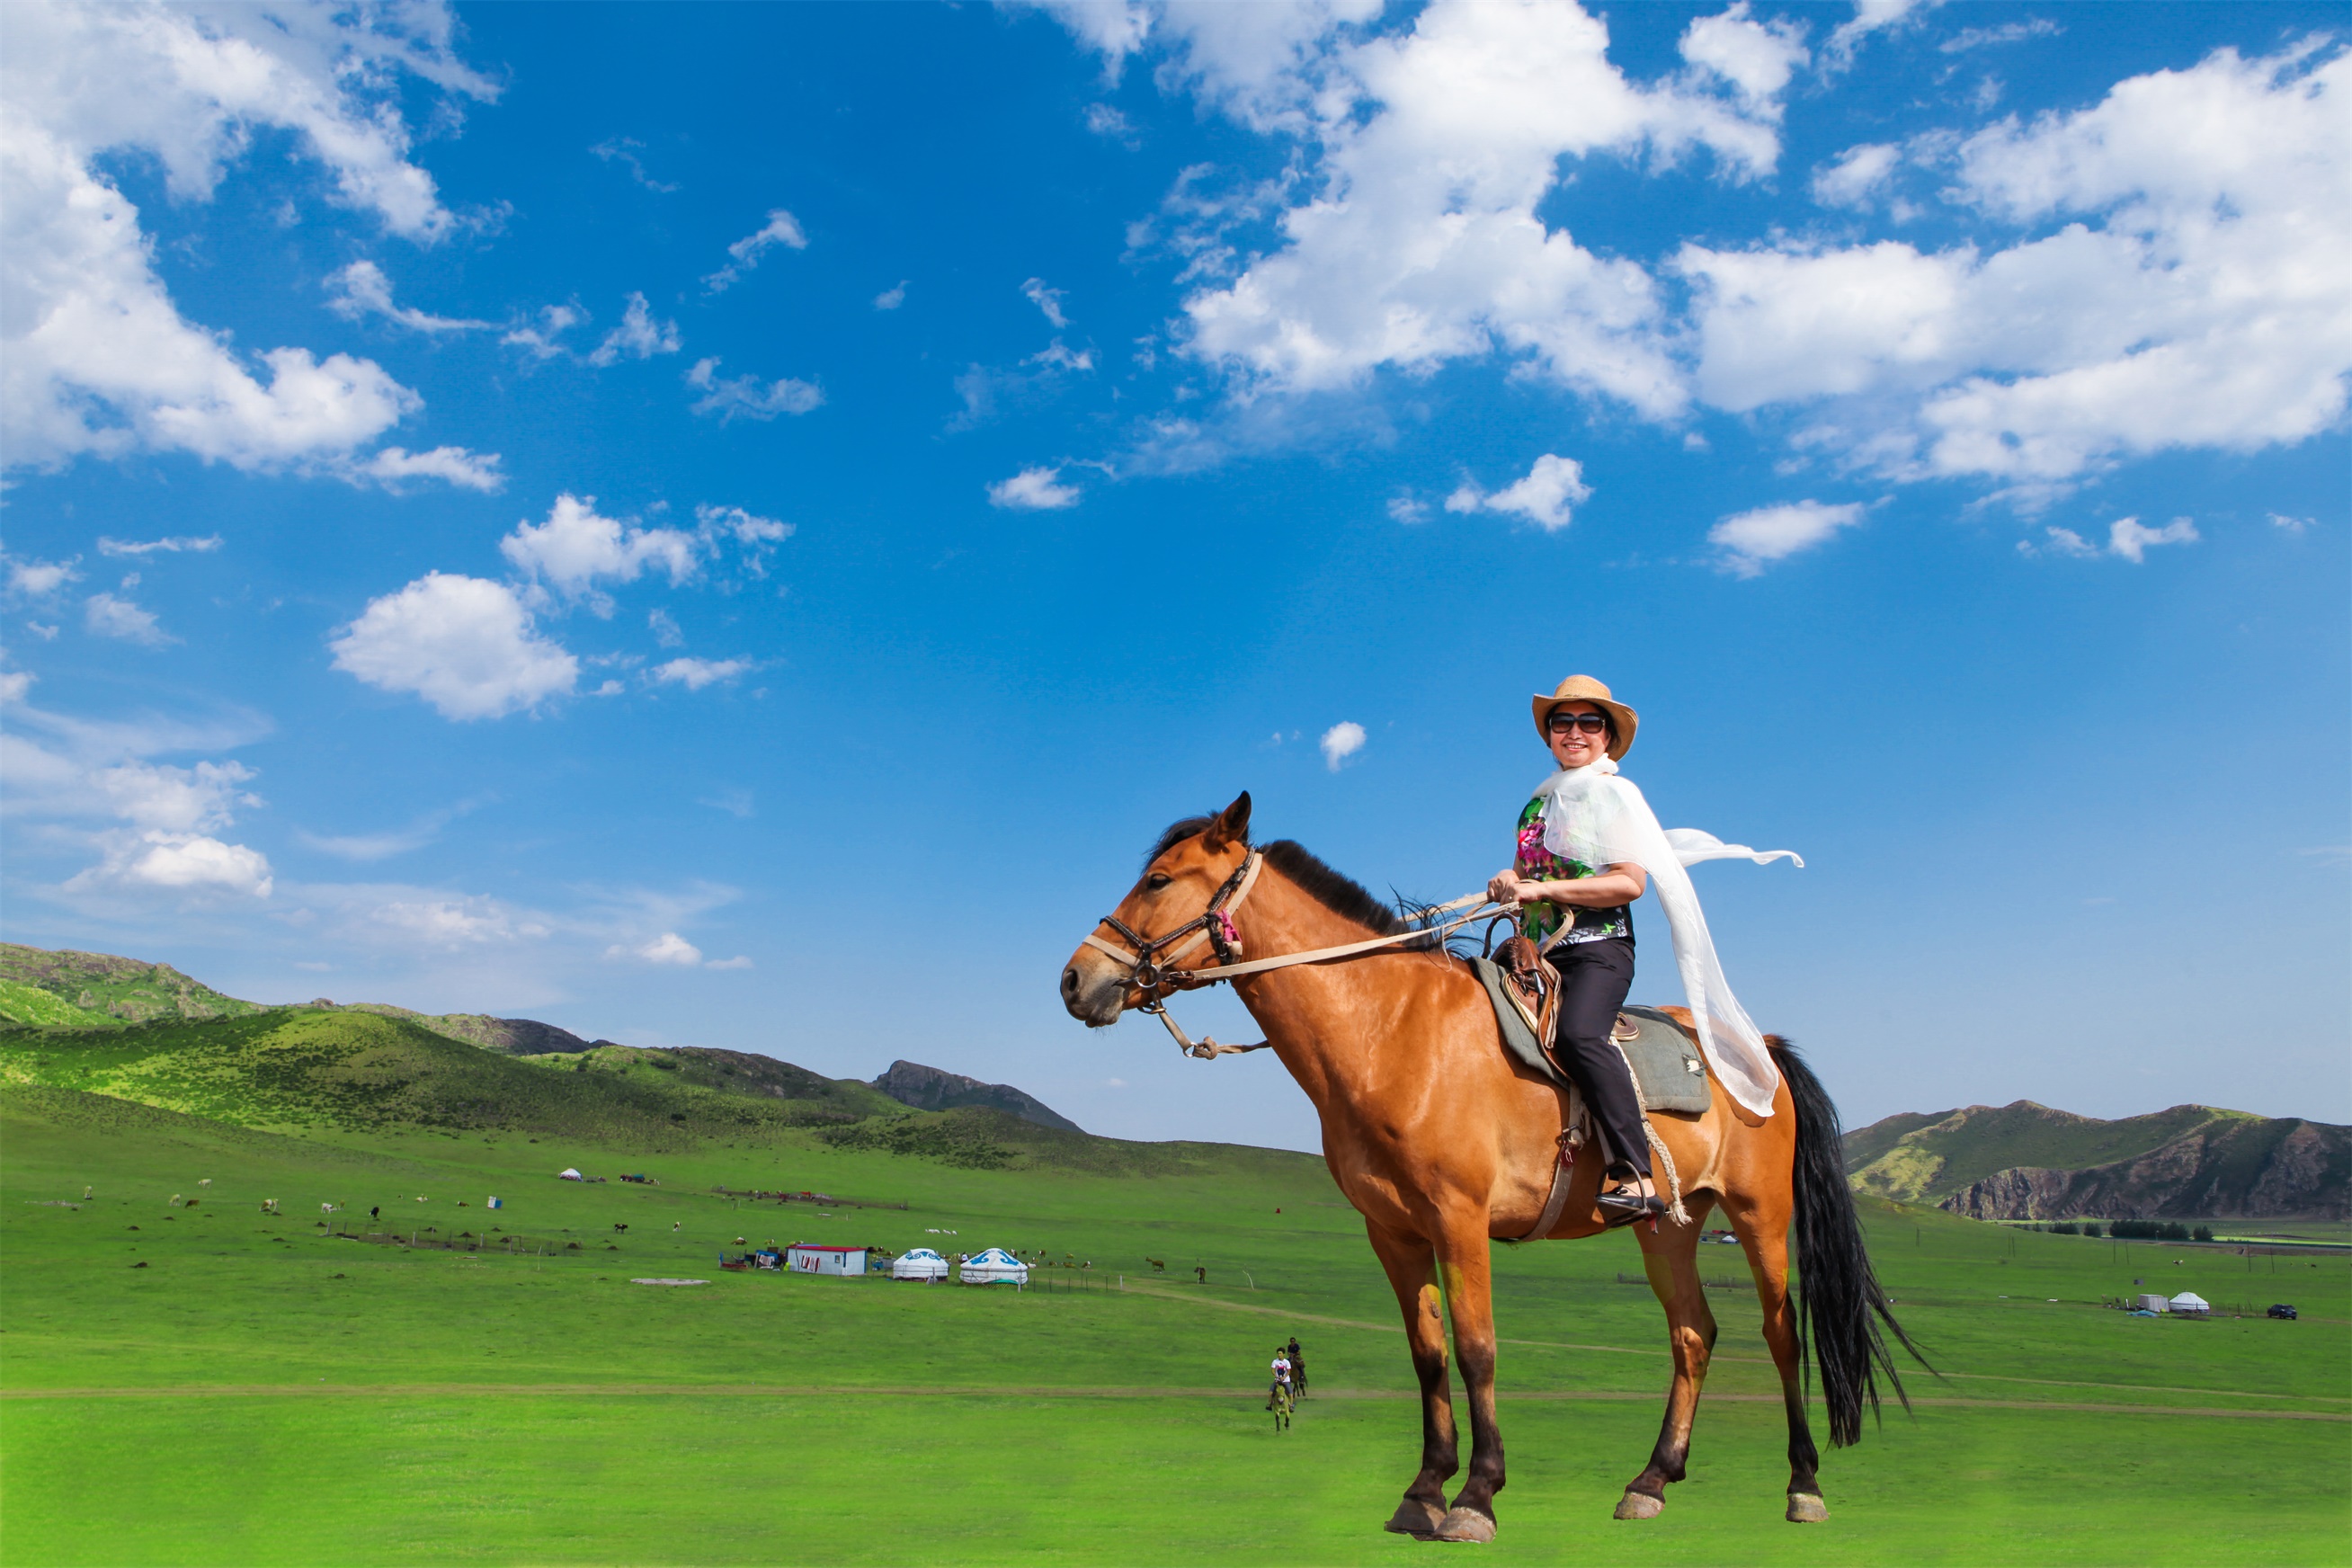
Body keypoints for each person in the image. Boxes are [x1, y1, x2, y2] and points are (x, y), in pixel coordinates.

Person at [1490, 676, 1797, 1222]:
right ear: (1549, 736)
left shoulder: (1613, 795)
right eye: (1564, 723)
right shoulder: (1536, 804)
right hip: (1537, 953)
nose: (1575, 732)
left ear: (1607, 738)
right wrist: (1507, 879)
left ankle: (1634, 1173)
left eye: (1589, 723)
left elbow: (1629, 883)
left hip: (1597, 950)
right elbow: (1527, 873)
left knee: (1581, 1033)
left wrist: (1541, 890)